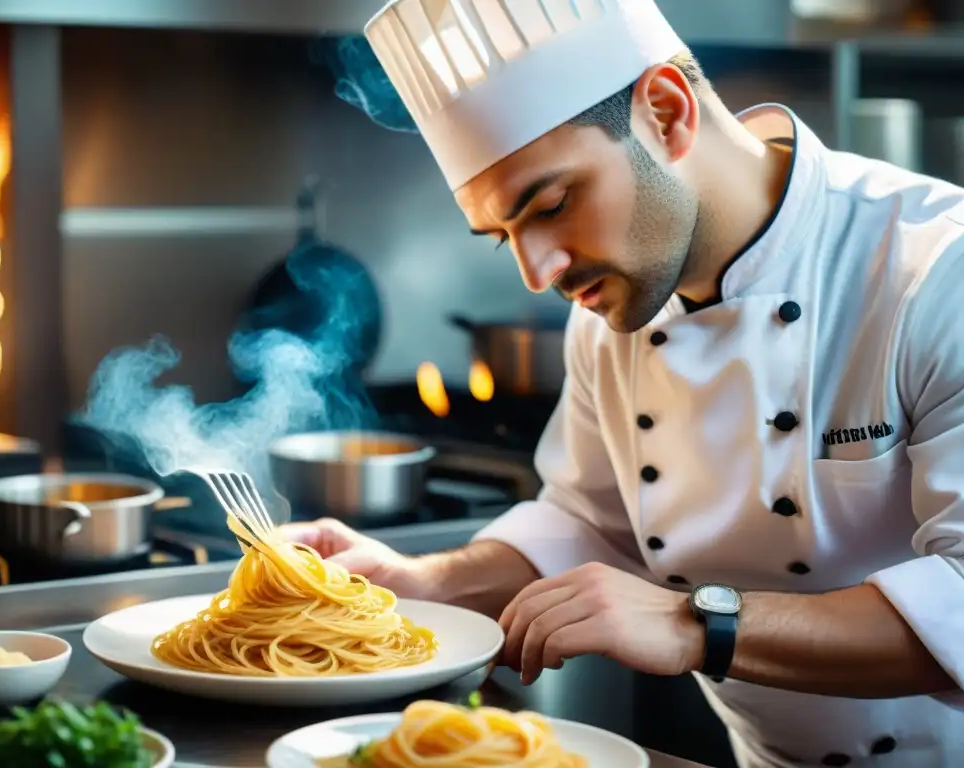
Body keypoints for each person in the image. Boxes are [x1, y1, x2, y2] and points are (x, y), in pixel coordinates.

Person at [281, 0, 964, 765]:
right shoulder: (611, 320)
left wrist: (690, 625)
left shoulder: (935, 270)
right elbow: (589, 524)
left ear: (666, 114)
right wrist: (419, 583)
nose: (537, 272)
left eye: (550, 205)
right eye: (504, 235)